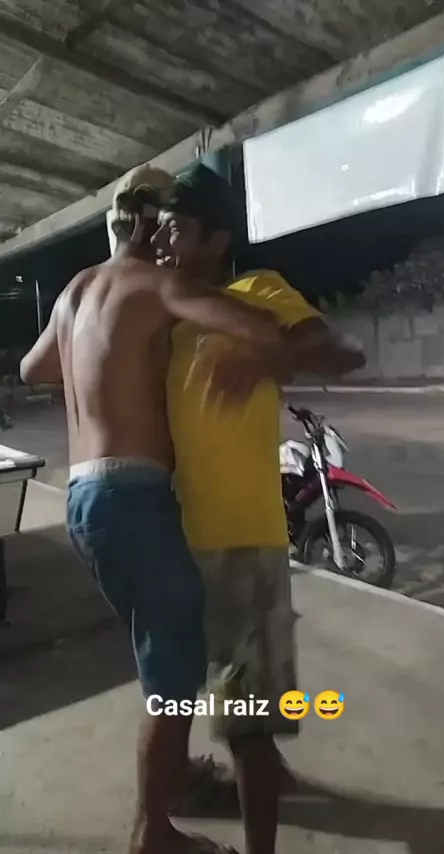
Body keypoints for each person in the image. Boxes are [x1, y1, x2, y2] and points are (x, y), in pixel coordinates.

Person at [19, 164, 287, 854]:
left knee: (160, 654)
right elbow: (252, 325)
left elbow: (33, 369)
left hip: (83, 501)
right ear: (146, 224)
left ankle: (178, 775)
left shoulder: (77, 290)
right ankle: (152, 831)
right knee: (174, 678)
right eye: (165, 225)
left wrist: (102, 354)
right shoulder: (157, 286)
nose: (170, 240)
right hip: (133, 497)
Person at [152, 163, 366, 854]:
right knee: (209, 700)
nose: (162, 241)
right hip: (176, 541)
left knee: (245, 720)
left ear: (218, 238)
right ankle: (261, 776)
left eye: (177, 228)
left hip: (242, 538)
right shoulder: (165, 307)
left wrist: (266, 361)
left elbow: (345, 351)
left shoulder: (257, 292)